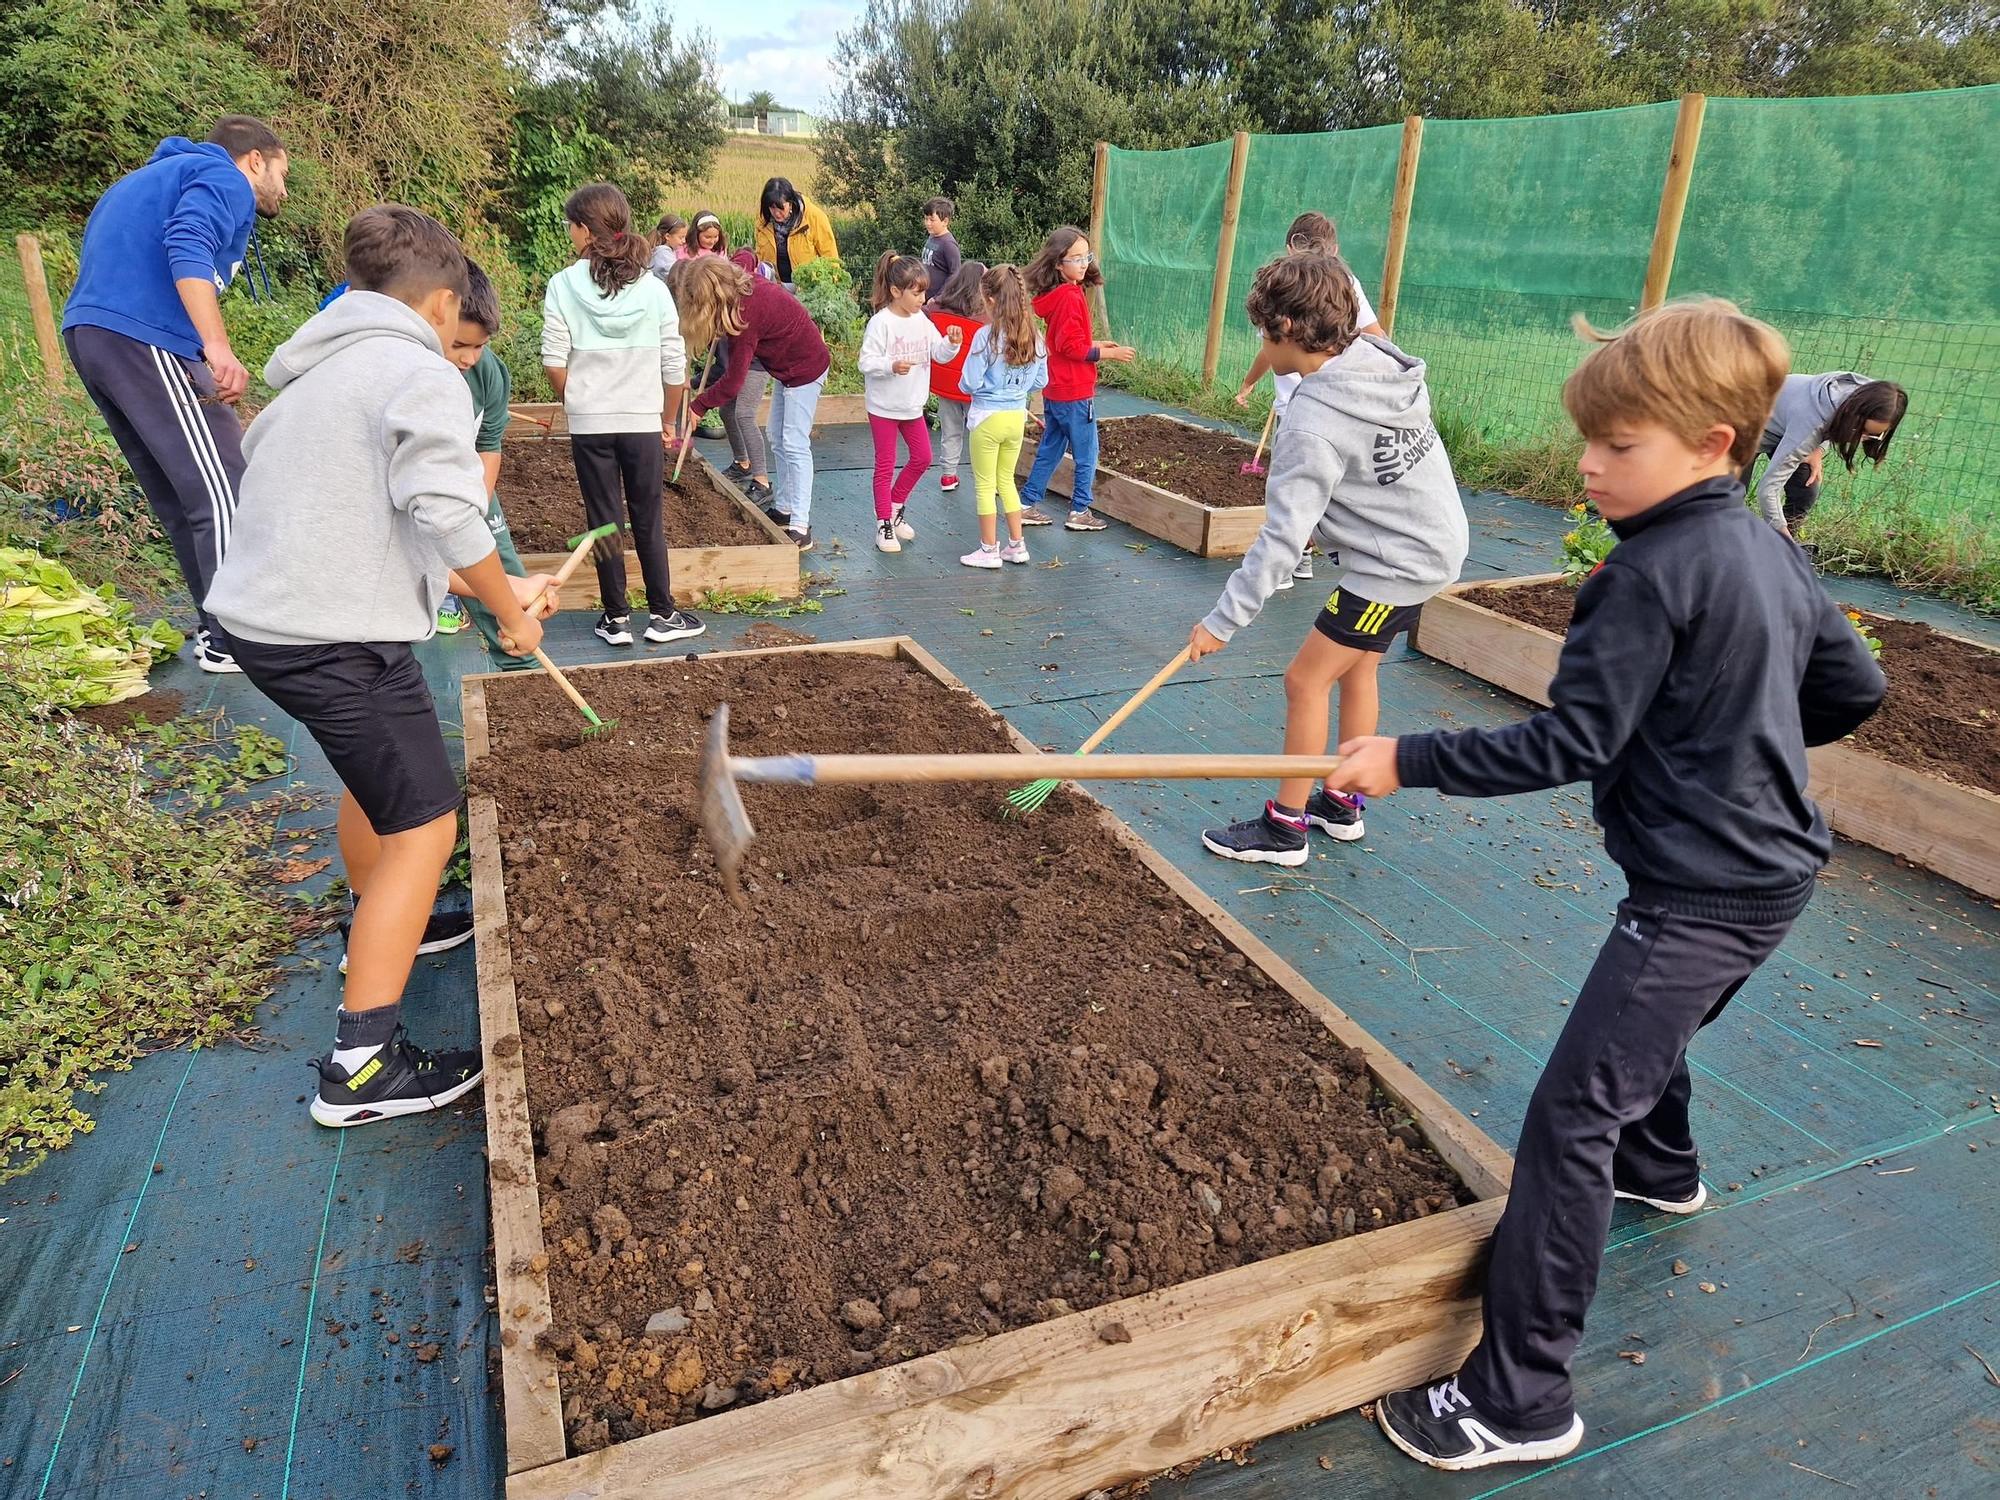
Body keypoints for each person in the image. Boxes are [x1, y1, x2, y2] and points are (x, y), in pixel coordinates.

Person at [1329, 298, 1885, 1472]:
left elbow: (1562, 744)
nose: (1586, 464)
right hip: (1776, 874)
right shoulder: (1763, 547)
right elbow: (1850, 692)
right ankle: (1664, 1166)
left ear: (1714, 446)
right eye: (1589, 438)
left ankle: (1518, 1398)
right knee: (1646, 1039)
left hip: (1696, 893)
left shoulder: (1640, 577)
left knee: (1570, 1115)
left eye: (1617, 445)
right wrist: (1733, 726)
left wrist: (1401, 758)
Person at [204, 205, 561, 1127]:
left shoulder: (318, 371)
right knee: (427, 826)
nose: (461, 352)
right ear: (441, 304)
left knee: (380, 784)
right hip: (335, 638)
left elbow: (375, 516)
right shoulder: (417, 371)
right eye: (459, 334)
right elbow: (448, 511)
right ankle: (359, 1069)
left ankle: (382, 912)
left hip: (265, 624)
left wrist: (495, 594)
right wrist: (512, 605)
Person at [1189, 252, 1466, 865]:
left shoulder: (1312, 423)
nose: (1262, 342)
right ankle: (1340, 803)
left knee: (1304, 679)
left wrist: (1221, 622)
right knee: (1357, 670)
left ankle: (1285, 826)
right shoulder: (1376, 363)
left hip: (1397, 568)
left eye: (1264, 331)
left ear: (1286, 331)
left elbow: (1282, 540)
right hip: (1432, 544)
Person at [61, 115, 291, 675]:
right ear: (255, 160)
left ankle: (218, 631)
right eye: (284, 172)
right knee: (225, 483)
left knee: (181, 492)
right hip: (146, 336)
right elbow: (187, 243)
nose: (285, 189)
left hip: (91, 337)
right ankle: (236, 637)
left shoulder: (147, 179)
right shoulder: (223, 178)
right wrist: (216, 346)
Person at [542, 183, 705, 648]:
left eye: (571, 226)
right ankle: (662, 615)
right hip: (640, 422)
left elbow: (554, 360)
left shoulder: (562, 285)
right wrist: (667, 421)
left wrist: (579, 400)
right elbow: (674, 365)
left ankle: (615, 619)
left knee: (605, 520)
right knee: (648, 517)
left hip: (591, 424)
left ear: (582, 229)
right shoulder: (652, 289)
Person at [1233, 211, 1388, 587]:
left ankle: (1285, 564)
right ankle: (1303, 558)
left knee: (1292, 493)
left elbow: (1270, 347)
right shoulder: (1343, 282)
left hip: (1305, 410)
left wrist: (1250, 382)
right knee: (1321, 488)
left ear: (1290, 246)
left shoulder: (1290, 285)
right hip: (1336, 406)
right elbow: (1378, 337)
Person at [679, 255, 831, 551]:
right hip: (787, 370)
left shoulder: (747, 314)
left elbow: (734, 382)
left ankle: (800, 526)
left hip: (806, 368)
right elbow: (746, 259)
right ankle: (784, 508)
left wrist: (698, 406)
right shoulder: (743, 293)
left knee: (795, 443)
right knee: (777, 437)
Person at [443, 261, 539, 671]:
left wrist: (478, 505)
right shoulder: (414, 378)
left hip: (470, 484)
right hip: (421, 494)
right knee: (447, 571)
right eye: (459, 345)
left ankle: (520, 667)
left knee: (503, 569)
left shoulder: (489, 373)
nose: (469, 357)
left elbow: (489, 444)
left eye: (479, 346)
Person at [1016, 226, 1135, 530]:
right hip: (1075, 391)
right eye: (1076, 258)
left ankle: (1027, 503)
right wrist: (1108, 354)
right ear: (1058, 263)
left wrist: (1096, 344)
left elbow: (1062, 341)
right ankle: (1080, 511)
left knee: (1051, 448)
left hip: (1055, 390)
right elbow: (1071, 347)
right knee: (1087, 454)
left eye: (1086, 257)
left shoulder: (1053, 296)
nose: (1084, 264)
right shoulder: (1070, 296)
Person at [859, 252, 960, 553]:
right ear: (895, 292)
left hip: (912, 406)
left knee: (922, 457)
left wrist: (952, 343)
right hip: (884, 408)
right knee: (885, 465)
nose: (922, 298)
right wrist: (891, 365)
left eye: (924, 292)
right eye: (916, 293)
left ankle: (895, 505)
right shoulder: (881, 323)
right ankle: (883, 525)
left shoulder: (922, 320)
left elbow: (939, 353)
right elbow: (866, 361)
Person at [957, 265, 1049, 570]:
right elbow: (1040, 381)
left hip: (986, 418)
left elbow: (969, 382)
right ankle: (1016, 546)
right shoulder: (1035, 335)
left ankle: (988, 550)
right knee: (1007, 481)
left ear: (991, 299)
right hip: (1015, 418)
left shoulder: (986, 336)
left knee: (985, 486)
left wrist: (980, 386)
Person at [1745, 372, 1907, 538]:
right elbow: (1768, 489)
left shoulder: (1870, 395)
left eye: (1874, 435)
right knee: (1727, 502)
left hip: (1787, 423)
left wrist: (1818, 449)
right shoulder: (1809, 426)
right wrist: (1781, 532)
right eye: (1862, 431)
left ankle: (1775, 548)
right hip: (1743, 428)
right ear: (1853, 417)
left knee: (1805, 489)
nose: (1862, 439)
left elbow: (1833, 416)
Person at [926, 259, 988, 494]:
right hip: (974, 387)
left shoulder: (935, 309)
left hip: (945, 384)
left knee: (951, 431)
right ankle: (986, 478)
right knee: (980, 433)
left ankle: (948, 475)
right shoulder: (986, 318)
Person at [754, 176, 839, 287]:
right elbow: (759, 255)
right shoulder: (762, 221)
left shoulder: (814, 217)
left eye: (781, 208)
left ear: (791, 203)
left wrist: (832, 287)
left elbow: (830, 256)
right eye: (772, 208)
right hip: (775, 289)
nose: (776, 213)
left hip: (807, 290)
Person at [921, 196, 962, 286]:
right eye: (926, 219)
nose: (928, 223)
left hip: (939, 299)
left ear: (945, 221)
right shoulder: (931, 237)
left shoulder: (948, 244)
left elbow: (955, 275)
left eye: (932, 220)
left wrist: (938, 298)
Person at [648, 214, 689, 279]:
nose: (684, 241)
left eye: (684, 237)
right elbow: (677, 274)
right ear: (667, 236)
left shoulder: (667, 251)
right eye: (681, 237)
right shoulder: (663, 254)